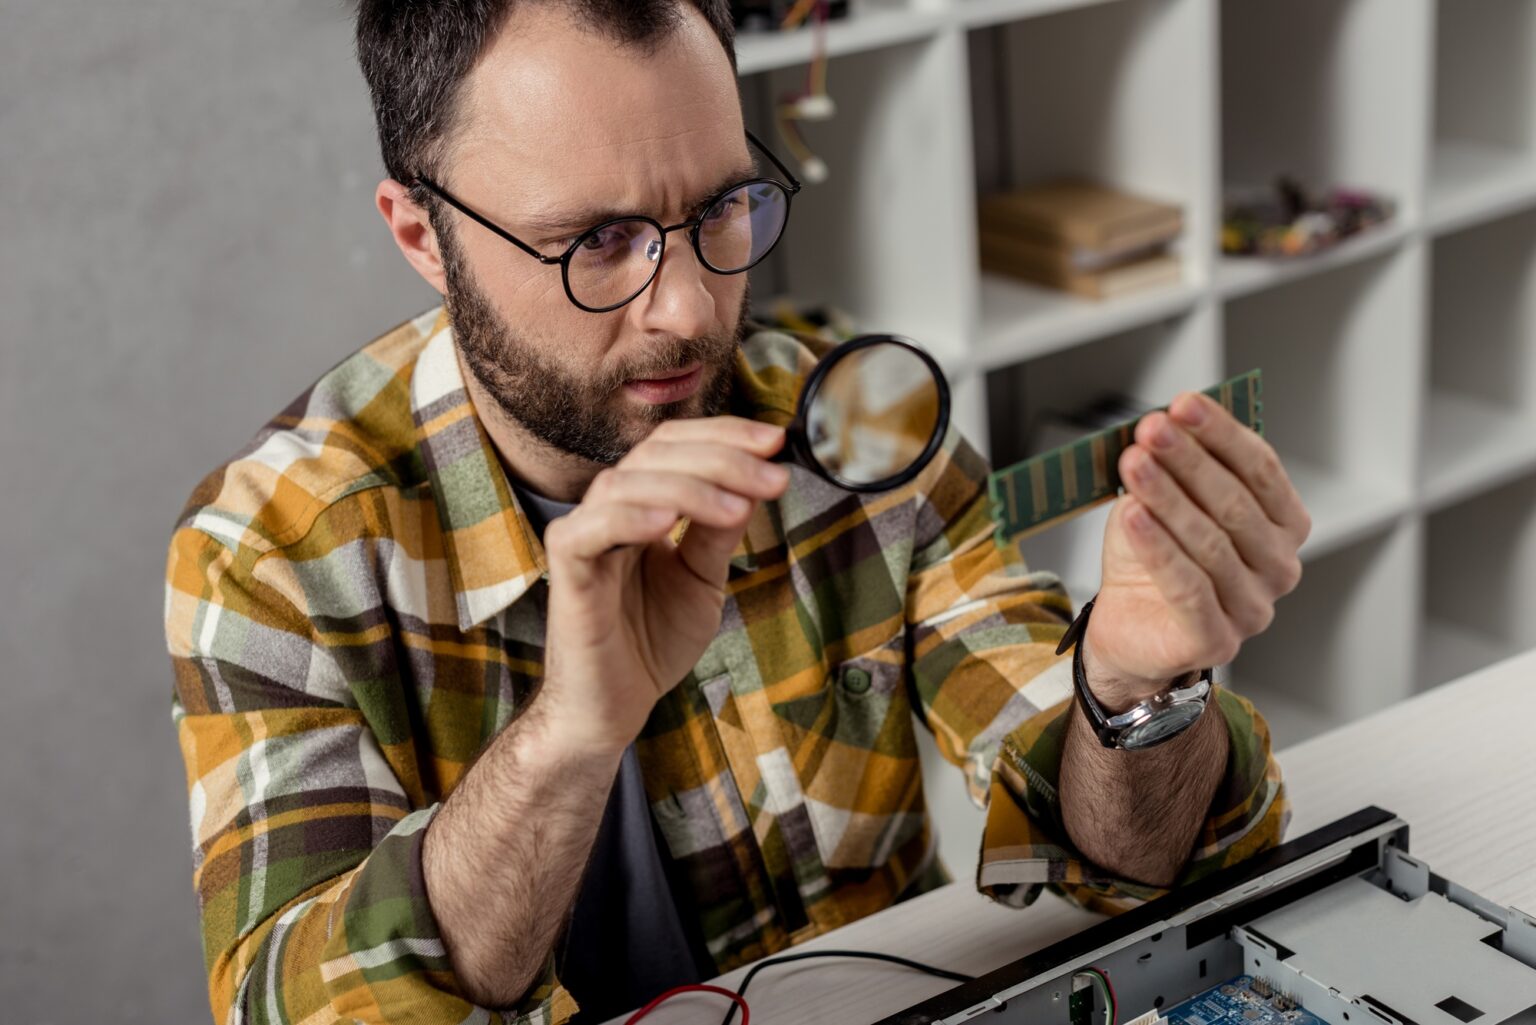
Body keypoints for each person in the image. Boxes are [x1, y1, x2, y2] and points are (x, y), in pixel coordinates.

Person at [163, 2, 1310, 1023]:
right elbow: (296, 1003)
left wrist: (1134, 694)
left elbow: (1130, 859)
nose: (687, 309)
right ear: (424, 234)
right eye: (595, 242)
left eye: (723, 207)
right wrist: (571, 732)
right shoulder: (272, 553)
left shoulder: (855, 435)